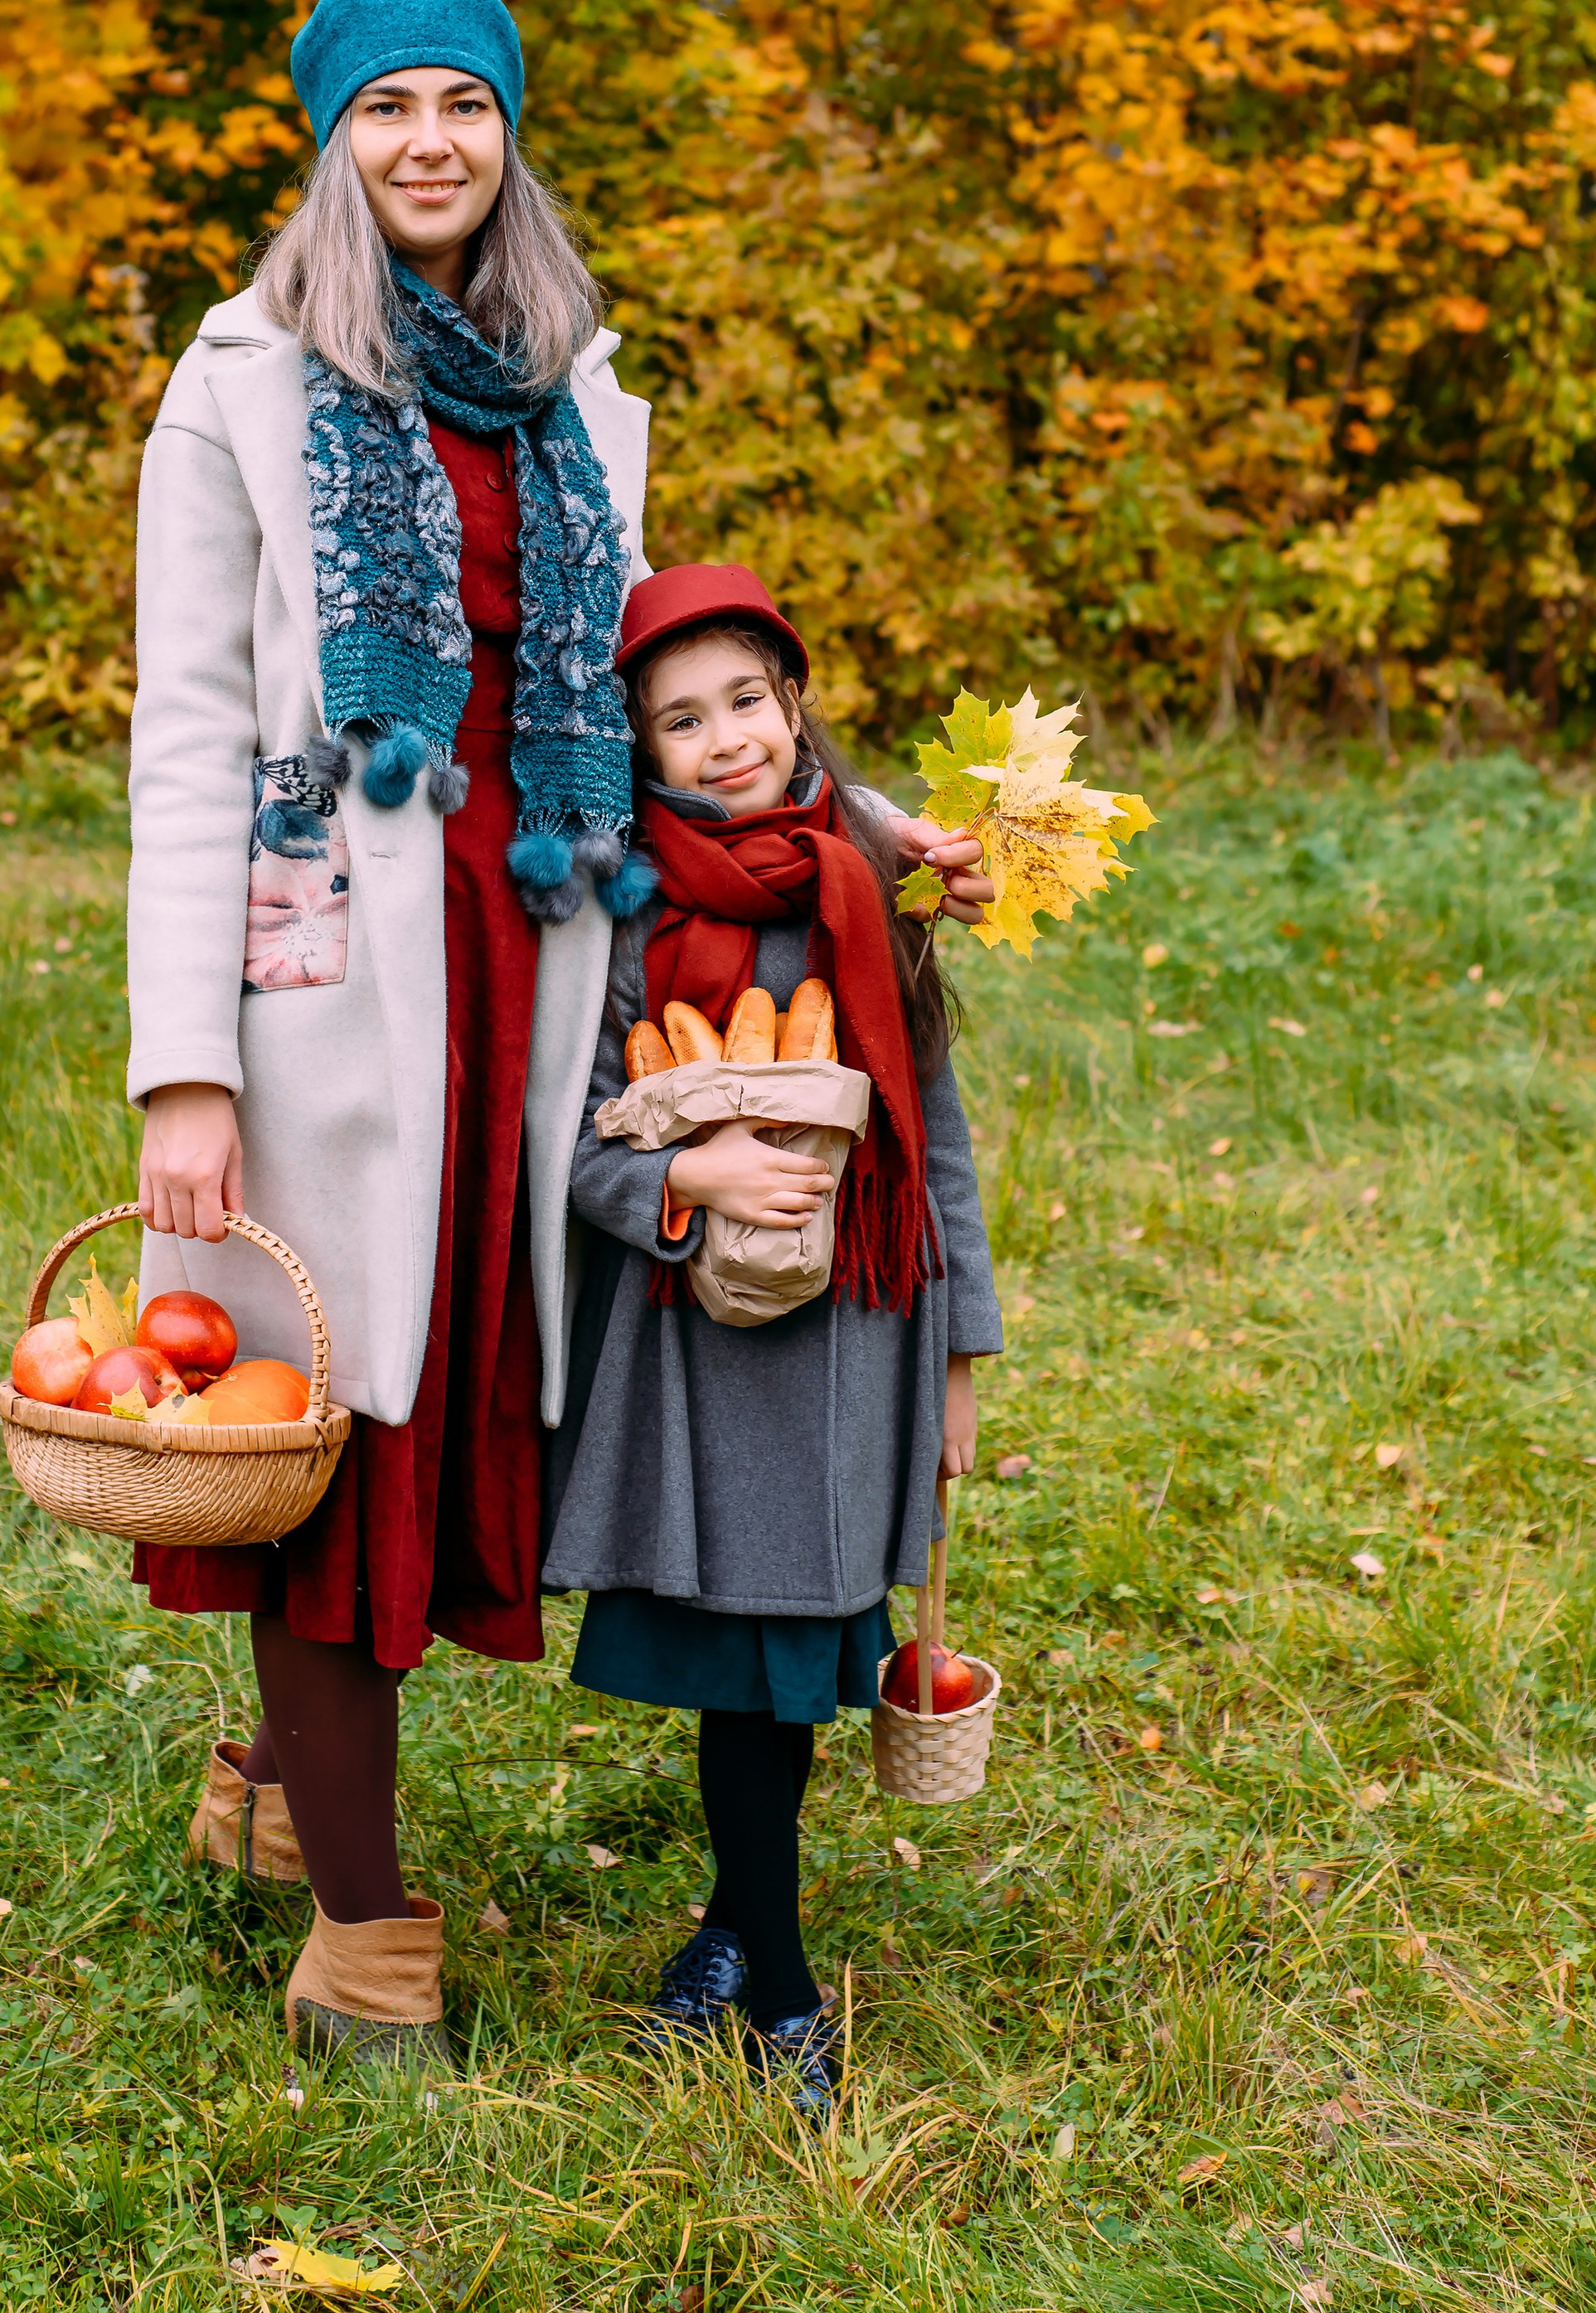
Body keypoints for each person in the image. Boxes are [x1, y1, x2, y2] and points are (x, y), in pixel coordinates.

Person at [125, 0, 990, 2070]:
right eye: (385, 105)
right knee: (335, 1426)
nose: (429, 138)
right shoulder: (236, 385)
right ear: (329, 139)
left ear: (508, 133)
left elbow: (641, 675)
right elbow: (191, 734)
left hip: (555, 959)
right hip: (334, 981)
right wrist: (185, 1066)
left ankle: (274, 1780)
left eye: (465, 103)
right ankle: (364, 1933)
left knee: (488, 1392)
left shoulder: (574, 389)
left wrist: (856, 822)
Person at [541, 564, 1003, 2112]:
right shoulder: (627, 905)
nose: (724, 739)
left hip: (861, 1331)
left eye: (745, 700)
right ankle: (785, 1996)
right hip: (698, 1341)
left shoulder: (868, 877)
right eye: (681, 720)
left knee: (793, 1656)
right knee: (749, 1661)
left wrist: (958, 1359)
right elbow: (567, 1144)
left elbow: (932, 1130)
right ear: (642, 750)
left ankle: (739, 1942)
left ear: (793, 703)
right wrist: (683, 1172)